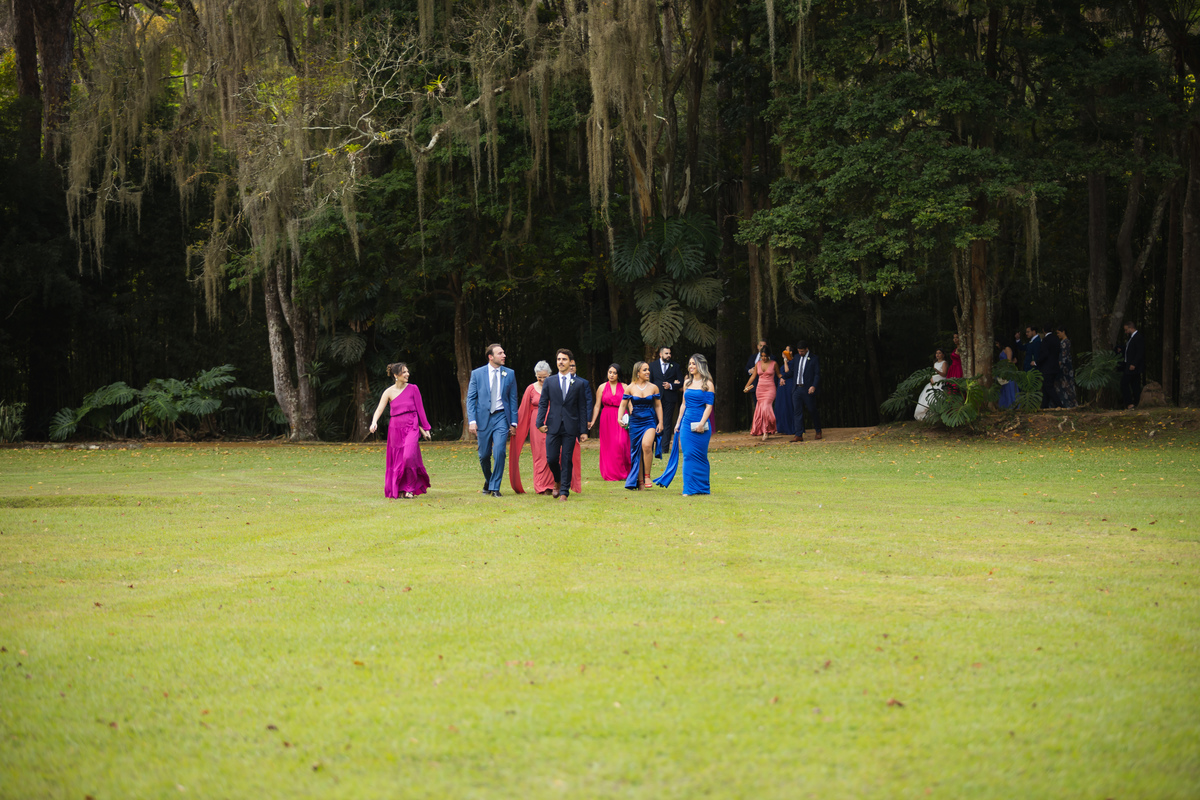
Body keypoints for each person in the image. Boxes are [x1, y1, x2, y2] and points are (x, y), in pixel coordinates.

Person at [369, 362, 432, 499]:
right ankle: (401, 487)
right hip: (395, 428)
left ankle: (410, 488)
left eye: (407, 371)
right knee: (398, 459)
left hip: (412, 425)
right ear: (396, 375)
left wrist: (425, 428)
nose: (407, 374)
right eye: (404, 372)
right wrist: (374, 422)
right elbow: (379, 409)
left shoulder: (414, 389)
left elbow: (420, 410)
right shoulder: (388, 392)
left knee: (408, 456)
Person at [654, 354, 715, 495]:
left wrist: (701, 423)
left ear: (701, 365)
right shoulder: (687, 382)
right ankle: (688, 488)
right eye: (690, 364)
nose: (691, 366)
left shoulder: (708, 384)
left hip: (702, 424)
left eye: (694, 363)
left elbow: (709, 407)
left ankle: (703, 488)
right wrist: (678, 422)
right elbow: (683, 404)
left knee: (700, 456)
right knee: (688, 455)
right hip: (687, 423)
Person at [466, 343, 518, 497]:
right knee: (483, 455)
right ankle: (489, 480)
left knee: (500, 450)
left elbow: (513, 399)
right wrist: (472, 421)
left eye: (503, 352)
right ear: (491, 357)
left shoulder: (510, 373)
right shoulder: (477, 374)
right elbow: (471, 399)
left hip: (502, 416)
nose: (504, 355)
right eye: (500, 353)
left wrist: (513, 422)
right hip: (483, 418)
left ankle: (495, 487)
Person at [537, 349, 590, 501]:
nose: (561, 362)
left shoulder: (579, 384)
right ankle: (558, 480)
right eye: (559, 359)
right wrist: (539, 422)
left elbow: (582, 408)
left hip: (570, 426)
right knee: (551, 458)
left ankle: (564, 492)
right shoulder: (549, 381)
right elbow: (543, 403)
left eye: (564, 359)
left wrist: (583, 430)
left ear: (570, 362)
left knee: (566, 459)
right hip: (552, 425)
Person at [509, 361, 556, 495]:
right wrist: (515, 425)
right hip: (536, 424)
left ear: (549, 375)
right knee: (539, 455)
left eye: (544, 377)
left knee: (553, 452)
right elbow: (523, 410)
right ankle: (541, 486)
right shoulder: (531, 388)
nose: (541, 379)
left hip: (553, 421)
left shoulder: (554, 386)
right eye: (539, 377)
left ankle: (552, 484)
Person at [619, 360, 664, 490]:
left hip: (649, 420)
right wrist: (619, 418)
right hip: (635, 422)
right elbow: (623, 404)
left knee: (646, 445)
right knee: (637, 452)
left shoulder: (653, 387)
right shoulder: (630, 387)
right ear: (637, 372)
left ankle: (647, 475)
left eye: (648, 369)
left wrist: (660, 422)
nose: (648, 372)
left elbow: (658, 405)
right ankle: (640, 483)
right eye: (644, 370)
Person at [589, 363, 632, 481]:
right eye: (610, 372)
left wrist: (633, 417)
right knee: (609, 446)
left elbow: (630, 404)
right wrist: (593, 421)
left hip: (621, 416)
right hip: (606, 418)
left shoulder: (624, 386)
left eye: (614, 373)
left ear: (619, 374)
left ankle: (625, 471)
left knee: (622, 443)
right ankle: (610, 473)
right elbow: (597, 406)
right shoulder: (602, 387)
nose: (612, 375)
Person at [648, 346, 683, 452]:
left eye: (670, 353)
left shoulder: (675, 366)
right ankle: (651, 446)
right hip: (655, 398)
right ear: (660, 354)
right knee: (653, 421)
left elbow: (681, 382)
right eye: (666, 353)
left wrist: (671, 385)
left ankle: (664, 448)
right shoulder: (652, 366)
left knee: (667, 422)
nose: (669, 355)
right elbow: (649, 382)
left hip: (669, 398)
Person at [744, 343, 781, 442]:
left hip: (770, 389)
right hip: (760, 389)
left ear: (769, 355)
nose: (763, 358)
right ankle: (765, 431)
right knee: (761, 410)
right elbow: (753, 376)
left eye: (765, 356)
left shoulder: (774, 363)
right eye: (762, 356)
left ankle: (770, 426)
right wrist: (747, 386)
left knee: (766, 408)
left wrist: (783, 379)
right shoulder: (758, 364)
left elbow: (779, 374)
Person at [789, 341, 822, 442]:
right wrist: (782, 377)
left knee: (812, 410)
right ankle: (798, 434)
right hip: (797, 388)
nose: (800, 353)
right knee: (797, 412)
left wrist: (814, 386)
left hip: (807, 388)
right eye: (799, 351)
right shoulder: (796, 357)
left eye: (802, 351)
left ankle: (818, 430)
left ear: (807, 349)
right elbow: (792, 371)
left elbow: (817, 374)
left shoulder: (814, 358)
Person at [914, 349, 948, 421]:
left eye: (939, 353)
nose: (938, 355)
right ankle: (925, 416)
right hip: (933, 382)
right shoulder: (935, 363)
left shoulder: (944, 363)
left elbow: (944, 374)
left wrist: (937, 371)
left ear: (943, 355)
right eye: (936, 353)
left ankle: (937, 415)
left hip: (940, 382)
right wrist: (931, 379)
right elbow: (932, 373)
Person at [1121, 321, 1144, 409]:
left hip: (1133, 366)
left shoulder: (1138, 337)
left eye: (1126, 330)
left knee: (1124, 383)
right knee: (1135, 384)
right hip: (1129, 365)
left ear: (1131, 328)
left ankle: (1130, 403)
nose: (1126, 332)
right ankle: (1136, 403)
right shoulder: (1131, 338)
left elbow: (1140, 352)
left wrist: (1134, 363)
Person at [1036, 323, 1060, 408]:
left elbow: (1044, 354)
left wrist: (1036, 362)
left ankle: (1059, 404)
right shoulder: (1056, 339)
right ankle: (1044, 406)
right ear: (1052, 329)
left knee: (1048, 386)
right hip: (1055, 367)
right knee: (1046, 387)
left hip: (1047, 368)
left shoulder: (1046, 340)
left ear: (1043, 330)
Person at [774, 345, 796, 436]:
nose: (784, 351)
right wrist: (781, 378)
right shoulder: (785, 362)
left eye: (786, 350)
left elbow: (787, 371)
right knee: (780, 405)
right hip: (782, 386)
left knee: (788, 405)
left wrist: (785, 360)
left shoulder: (793, 361)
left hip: (789, 385)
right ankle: (780, 427)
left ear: (790, 352)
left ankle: (789, 427)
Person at [1055, 325, 1078, 409]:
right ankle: (1063, 404)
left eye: (1058, 333)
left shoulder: (1066, 342)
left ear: (1063, 332)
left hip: (1065, 367)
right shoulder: (1062, 342)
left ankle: (1071, 404)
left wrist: (1059, 363)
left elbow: (1064, 356)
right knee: (1061, 385)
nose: (1058, 335)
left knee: (1067, 385)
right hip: (1062, 366)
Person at [995, 340, 1017, 410]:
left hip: (1007, 372)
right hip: (1002, 371)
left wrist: (1004, 371)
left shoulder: (1008, 349)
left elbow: (1009, 362)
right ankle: (1004, 406)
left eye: (997, 343)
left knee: (1009, 389)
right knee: (1003, 389)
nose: (997, 345)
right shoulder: (1003, 350)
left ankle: (1011, 406)